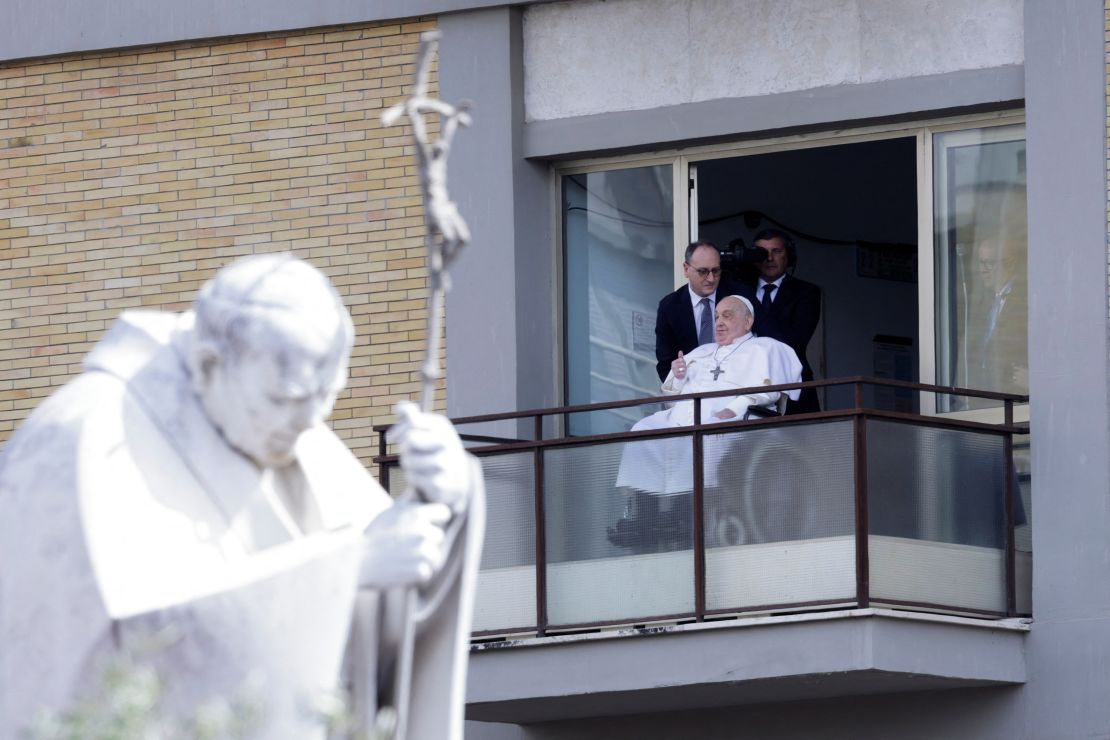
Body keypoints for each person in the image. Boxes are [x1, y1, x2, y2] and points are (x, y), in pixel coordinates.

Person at [0, 255, 483, 740]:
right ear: (210, 363)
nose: (310, 422)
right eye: (288, 399)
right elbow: (108, 652)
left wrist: (441, 499)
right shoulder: (80, 440)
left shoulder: (285, 426)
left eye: (326, 396)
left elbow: (390, 576)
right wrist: (347, 570)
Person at [609, 296, 802, 551]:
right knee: (643, 431)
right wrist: (677, 376)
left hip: (732, 420)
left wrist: (734, 408)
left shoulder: (765, 348)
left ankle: (686, 515)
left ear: (748, 321)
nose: (719, 323)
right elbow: (670, 396)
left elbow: (770, 392)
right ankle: (645, 515)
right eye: (718, 316)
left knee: (702, 434)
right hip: (684, 415)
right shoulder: (701, 352)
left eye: (728, 316)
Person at [654, 241, 758, 382]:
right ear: (686, 269)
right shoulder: (670, 306)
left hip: (737, 384)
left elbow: (766, 336)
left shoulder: (740, 295)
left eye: (715, 271)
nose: (711, 278)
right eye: (703, 271)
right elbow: (665, 364)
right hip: (692, 392)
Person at [748, 228, 822, 414]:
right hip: (746, 381)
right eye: (762, 253)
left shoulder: (806, 292)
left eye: (777, 251)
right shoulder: (740, 290)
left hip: (793, 384)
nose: (769, 258)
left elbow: (794, 342)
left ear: (789, 256)